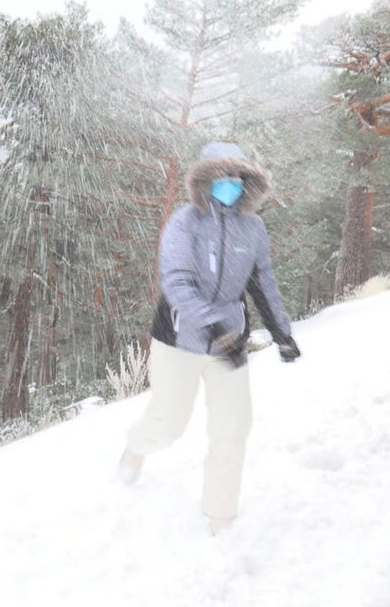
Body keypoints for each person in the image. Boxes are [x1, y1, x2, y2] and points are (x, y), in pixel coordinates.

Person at [118, 141, 300, 533]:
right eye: (222, 177)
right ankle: (137, 447)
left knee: (233, 427)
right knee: (169, 423)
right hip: (179, 339)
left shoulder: (252, 228)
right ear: (205, 179)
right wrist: (214, 325)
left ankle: (221, 514)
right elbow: (177, 282)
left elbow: (261, 282)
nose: (231, 184)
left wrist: (282, 332)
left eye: (238, 177)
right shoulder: (185, 221)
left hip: (229, 344)